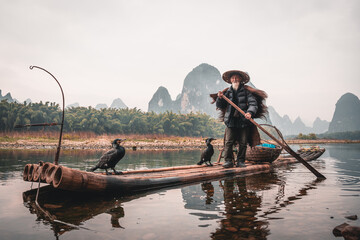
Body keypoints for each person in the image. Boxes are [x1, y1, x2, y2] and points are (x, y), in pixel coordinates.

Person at [216, 70, 258, 168]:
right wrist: (220, 98)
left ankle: (240, 161)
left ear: (240, 79)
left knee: (243, 142)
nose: (234, 79)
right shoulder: (226, 92)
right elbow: (220, 105)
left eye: (236, 78)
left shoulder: (247, 92)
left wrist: (250, 112)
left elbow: (253, 104)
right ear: (230, 80)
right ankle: (228, 161)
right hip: (231, 120)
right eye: (233, 78)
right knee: (229, 142)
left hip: (243, 120)